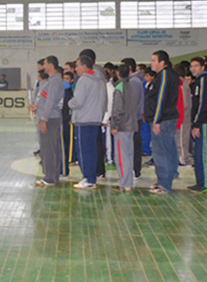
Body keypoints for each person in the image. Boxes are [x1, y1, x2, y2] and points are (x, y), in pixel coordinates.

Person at [67, 55, 105, 190]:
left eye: (77, 66)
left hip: (83, 120)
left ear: (84, 66)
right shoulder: (100, 80)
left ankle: (88, 178)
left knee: (83, 151)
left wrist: (69, 102)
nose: (75, 69)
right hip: (95, 119)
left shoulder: (83, 80)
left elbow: (77, 101)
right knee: (92, 150)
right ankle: (91, 177)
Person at [145, 50, 180, 195]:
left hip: (163, 120)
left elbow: (161, 99)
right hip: (164, 119)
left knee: (162, 152)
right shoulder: (162, 76)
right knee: (168, 150)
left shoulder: (165, 75)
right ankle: (164, 180)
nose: (151, 63)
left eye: (154, 60)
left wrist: (157, 120)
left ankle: (164, 184)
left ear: (162, 63)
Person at [31, 56, 64, 188]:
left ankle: (50, 177)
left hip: (50, 119)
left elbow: (50, 103)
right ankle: (52, 176)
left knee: (49, 149)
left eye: (44, 63)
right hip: (48, 117)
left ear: (50, 65)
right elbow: (46, 102)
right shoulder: (51, 81)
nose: (43, 66)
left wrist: (43, 119)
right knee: (49, 148)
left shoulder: (54, 81)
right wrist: (37, 108)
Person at [188, 58, 207, 194]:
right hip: (200, 122)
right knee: (198, 154)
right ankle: (200, 182)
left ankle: (206, 184)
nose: (193, 69)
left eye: (196, 66)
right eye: (191, 66)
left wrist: (197, 123)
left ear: (203, 67)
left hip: (205, 122)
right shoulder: (199, 81)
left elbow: (203, 104)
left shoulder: (205, 80)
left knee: (204, 154)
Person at [110, 63, 140, 193]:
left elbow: (117, 109)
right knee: (129, 155)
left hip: (122, 127)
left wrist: (115, 125)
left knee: (121, 157)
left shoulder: (119, 88)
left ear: (117, 74)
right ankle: (128, 182)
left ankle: (124, 183)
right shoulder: (132, 87)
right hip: (132, 125)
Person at [122, 58, 144, 180]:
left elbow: (132, 101)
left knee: (134, 144)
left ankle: (135, 170)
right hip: (133, 117)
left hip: (134, 118)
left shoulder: (134, 81)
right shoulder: (131, 81)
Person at [175, 62, 192, 168]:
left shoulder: (181, 85)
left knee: (182, 139)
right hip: (183, 115)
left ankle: (183, 159)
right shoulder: (183, 83)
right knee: (182, 138)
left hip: (183, 116)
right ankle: (181, 158)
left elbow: (184, 103)